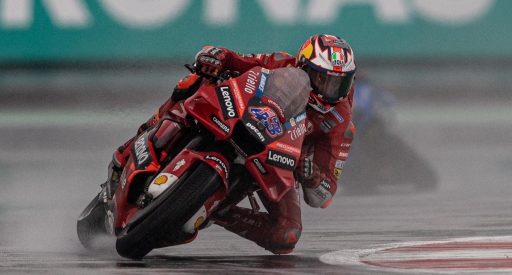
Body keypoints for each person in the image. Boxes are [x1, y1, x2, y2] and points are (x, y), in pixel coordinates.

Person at [104, 34, 356, 254]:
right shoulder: (283, 62)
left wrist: (311, 177)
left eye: (339, 83)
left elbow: (324, 194)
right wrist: (217, 56)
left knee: (287, 235)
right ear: (303, 66)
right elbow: (238, 60)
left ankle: (215, 211)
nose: (329, 91)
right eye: (322, 79)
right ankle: (136, 141)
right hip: (239, 117)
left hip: (278, 157)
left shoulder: (341, 122)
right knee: (191, 83)